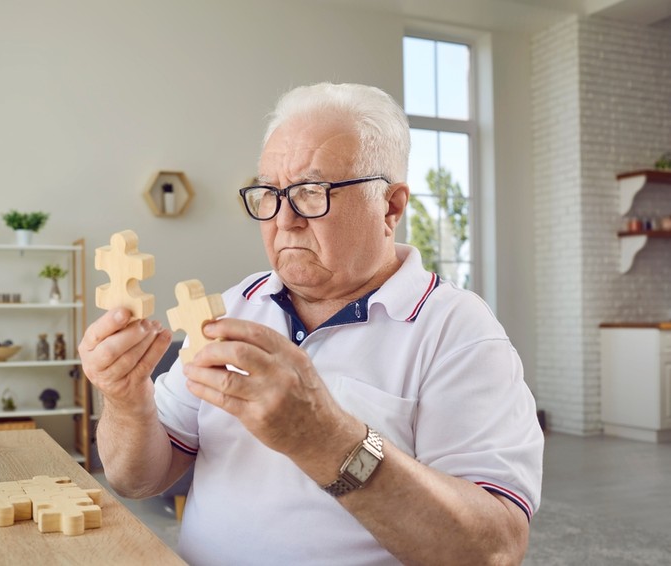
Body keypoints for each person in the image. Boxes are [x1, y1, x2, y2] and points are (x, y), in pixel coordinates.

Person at [79, 82, 544, 565]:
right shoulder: (235, 305)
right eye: (269, 193)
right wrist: (127, 400)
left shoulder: (459, 331)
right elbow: (136, 479)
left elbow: (494, 549)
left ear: (391, 206)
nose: (284, 219)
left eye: (310, 191)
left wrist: (325, 439)